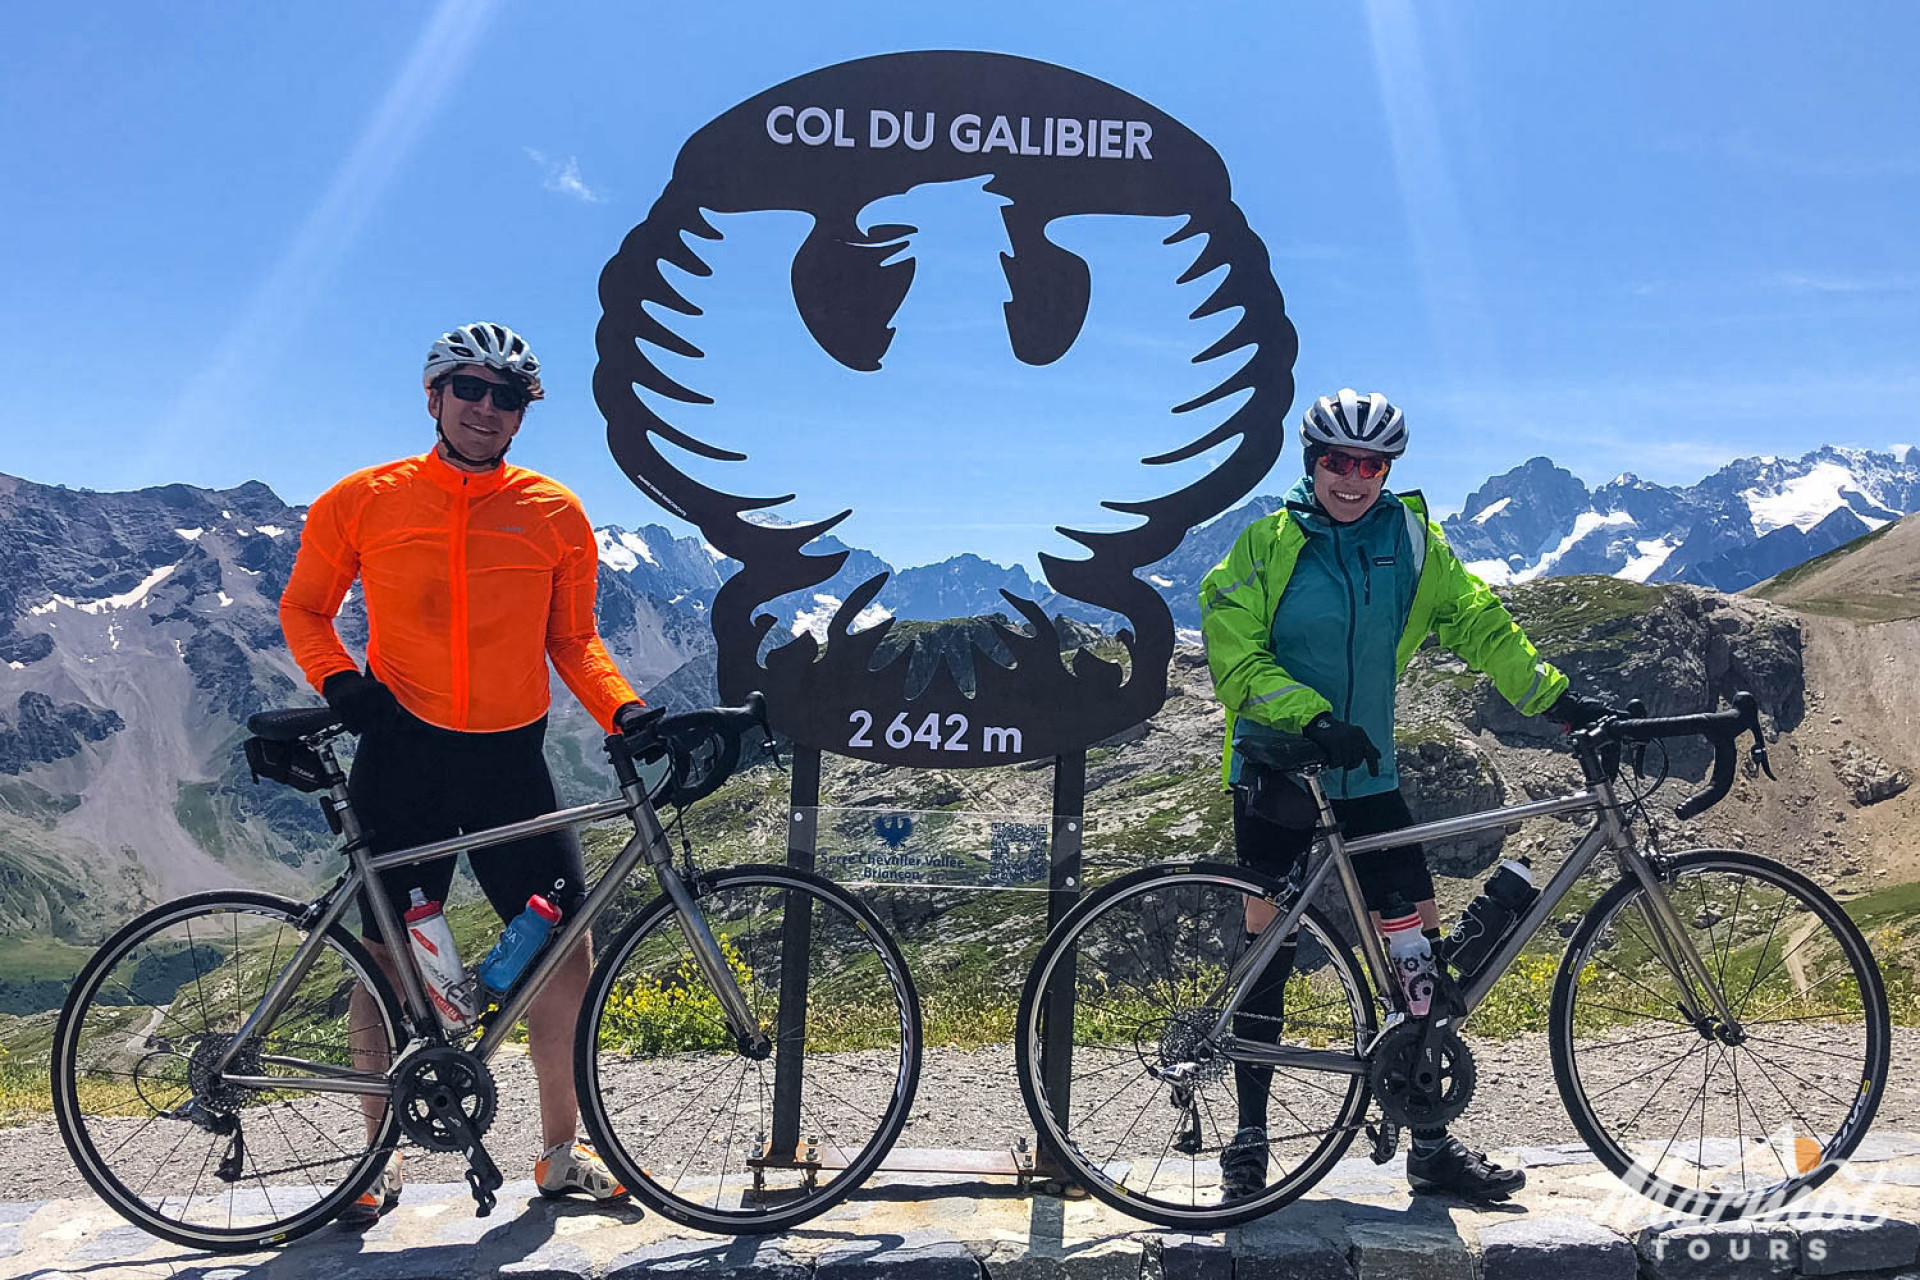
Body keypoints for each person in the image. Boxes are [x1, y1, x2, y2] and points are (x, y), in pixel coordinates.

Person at [280, 322, 655, 1224]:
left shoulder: (554, 512)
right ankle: (371, 1165)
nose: (487, 408)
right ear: (435, 397)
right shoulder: (363, 500)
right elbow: (305, 609)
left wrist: (626, 710)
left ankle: (561, 1154)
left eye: (508, 396)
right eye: (470, 389)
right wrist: (339, 683)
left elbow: (574, 639)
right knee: (384, 965)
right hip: (400, 756)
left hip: (507, 760)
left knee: (564, 953)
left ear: (523, 413)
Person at [1197, 388, 1608, 1204]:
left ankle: (1431, 1145)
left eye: (1372, 466)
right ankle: (1249, 1141)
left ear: (1388, 471)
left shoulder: (1411, 540)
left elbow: (1477, 622)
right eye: (1337, 462)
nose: (1353, 480)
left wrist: (1554, 699)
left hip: (1368, 777)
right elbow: (1232, 651)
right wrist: (1311, 717)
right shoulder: (1267, 543)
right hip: (1281, 770)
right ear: (1312, 462)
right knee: (1268, 948)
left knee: (1416, 956)